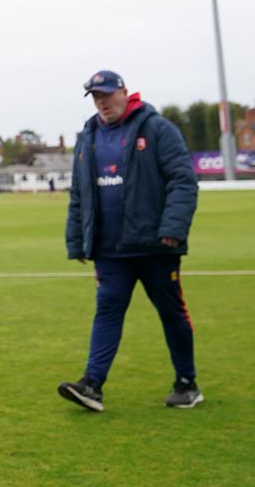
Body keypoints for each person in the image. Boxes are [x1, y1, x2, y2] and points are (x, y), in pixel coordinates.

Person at [59, 70, 201, 412]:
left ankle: (187, 382)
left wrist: (173, 228)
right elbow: (79, 193)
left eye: (107, 94)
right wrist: (77, 239)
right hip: (110, 249)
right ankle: (92, 384)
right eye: (96, 97)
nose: (102, 102)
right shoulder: (88, 136)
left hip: (156, 246)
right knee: (107, 311)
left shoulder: (157, 129)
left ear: (125, 92)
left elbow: (183, 181)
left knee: (171, 312)